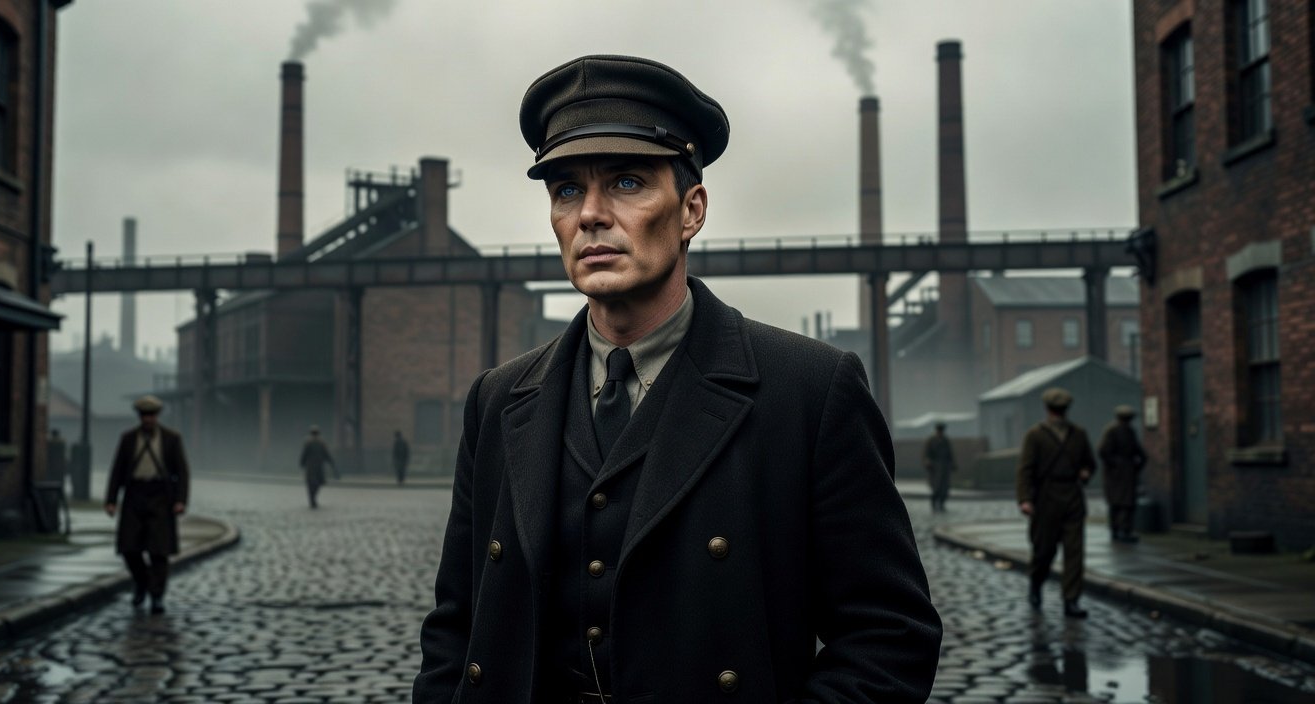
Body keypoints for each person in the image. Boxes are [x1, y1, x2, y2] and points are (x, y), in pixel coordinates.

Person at [415, 54, 941, 703]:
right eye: (567, 190)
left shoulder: (809, 391)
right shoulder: (498, 399)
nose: (590, 215)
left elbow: (890, 637)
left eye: (627, 182)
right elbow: (454, 630)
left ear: (692, 210)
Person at [105, 395, 190, 615]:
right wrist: (111, 500)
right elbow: (117, 470)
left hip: (161, 496)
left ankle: (157, 595)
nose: (148, 419)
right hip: (134, 494)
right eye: (144, 415)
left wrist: (180, 500)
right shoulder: (128, 439)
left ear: (157, 416)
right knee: (129, 548)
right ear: (139, 416)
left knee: (158, 550)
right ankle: (141, 583)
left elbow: (182, 471)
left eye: (151, 415)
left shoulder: (171, 439)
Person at [1016, 387, 1095, 619]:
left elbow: (1090, 462)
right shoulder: (1036, 435)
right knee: (1044, 551)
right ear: (1048, 409)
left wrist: (1085, 472)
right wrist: (1025, 499)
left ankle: (1071, 599)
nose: (1058, 414)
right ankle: (1036, 583)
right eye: (1056, 410)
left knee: (1074, 553)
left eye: (1061, 410)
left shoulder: (1078, 434)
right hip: (1045, 498)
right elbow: (1025, 470)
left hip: (1072, 496)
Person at [1098, 405, 1147, 543]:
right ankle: (1117, 530)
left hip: (1127, 473)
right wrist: (1116, 464)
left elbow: (1139, 452)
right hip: (1115, 475)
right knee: (1117, 503)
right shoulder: (1112, 431)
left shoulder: (1130, 431)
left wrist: (1136, 466)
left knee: (1128, 503)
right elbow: (1103, 451)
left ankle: (1125, 530)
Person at [923, 422, 957, 512]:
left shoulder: (945, 440)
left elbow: (950, 453)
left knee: (945, 488)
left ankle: (942, 504)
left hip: (945, 467)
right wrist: (928, 462)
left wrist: (953, 464)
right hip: (935, 468)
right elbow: (927, 453)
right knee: (936, 488)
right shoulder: (931, 440)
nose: (940, 432)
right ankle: (934, 503)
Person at [301, 426, 336, 509]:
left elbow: (304, 454)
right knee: (314, 483)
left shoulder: (317, 443)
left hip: (314, 466)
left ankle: (312, 499)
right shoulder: (314, 443)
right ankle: (313, 499)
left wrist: (302, 462)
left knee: (314, 483)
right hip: (315, 466)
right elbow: (326, 454)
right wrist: (331, 462)